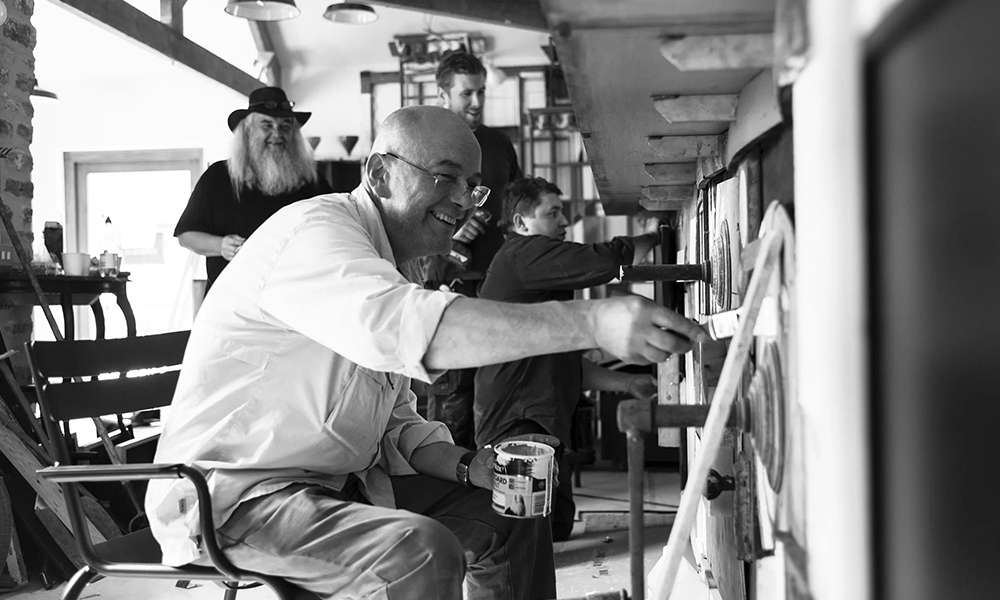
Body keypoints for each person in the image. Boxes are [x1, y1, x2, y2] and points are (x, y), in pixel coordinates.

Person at [145, 105, 709, 600]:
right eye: (446, 177)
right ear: (379, 173)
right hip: (237, 498)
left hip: (339, 482)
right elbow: (402, 330)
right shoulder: (315, 232)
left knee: (514, 510)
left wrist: (469, 465)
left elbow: (394, 423)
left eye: (473, 186)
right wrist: (594, 319)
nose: (464, 201)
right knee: (417, 552)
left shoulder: (382, 262)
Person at [474, 177, 662, 542]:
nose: (564, 223)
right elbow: (608, 258)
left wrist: (626, 383)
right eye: (553, 213)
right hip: (518, 423)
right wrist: (656, 235)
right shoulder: (521, 256)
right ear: (520, 223)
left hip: (540, 422)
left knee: (556, 528)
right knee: (523, 536)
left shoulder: (538, 278)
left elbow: (561, 362)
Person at [424, 50, 523, 449]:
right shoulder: (424, 140)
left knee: (501, 391)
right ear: (443, 93)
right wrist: (451, 234)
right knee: (454, 398)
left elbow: (516, 202)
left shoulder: (499, 143)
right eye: (467, 94)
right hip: (446, 284)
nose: (477, 102)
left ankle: (490, 494)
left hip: (498, 280)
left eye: (481, 91)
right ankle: (450, 489)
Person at [173, 86, 332, 290]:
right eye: (267, 125)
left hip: (295, 302)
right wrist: (221, 246)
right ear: (248, 131)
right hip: (232, 304)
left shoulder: (311, 180)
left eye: (285, 127)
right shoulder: (218, 177)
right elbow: (186, 235)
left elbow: (335, 225)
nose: (277, 133)